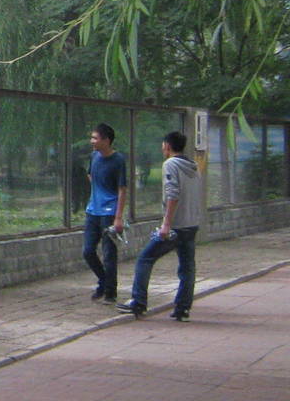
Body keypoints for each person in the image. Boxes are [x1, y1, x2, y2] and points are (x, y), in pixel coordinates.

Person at [118, 131, 202, 320]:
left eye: (163, 144)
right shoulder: (193, 166)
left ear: (167, 146)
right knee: (187, 267)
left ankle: (138, 301)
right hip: (191, 224)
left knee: (145, 259)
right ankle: (183, 308)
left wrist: (166, 224)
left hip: (175, 227)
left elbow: (173, 194)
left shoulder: (170, 164)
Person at [82, 123, 127, 302]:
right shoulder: (94, 156)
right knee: (88, 251)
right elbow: (90, 175)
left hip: (109, 213)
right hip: (92, 211)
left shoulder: (118, 160)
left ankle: (110, 291)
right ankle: (104, 280)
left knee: (109, 254)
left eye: (95, 138)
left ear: (106, 140)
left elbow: (122, 189)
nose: (92, 141)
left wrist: (118, 217)